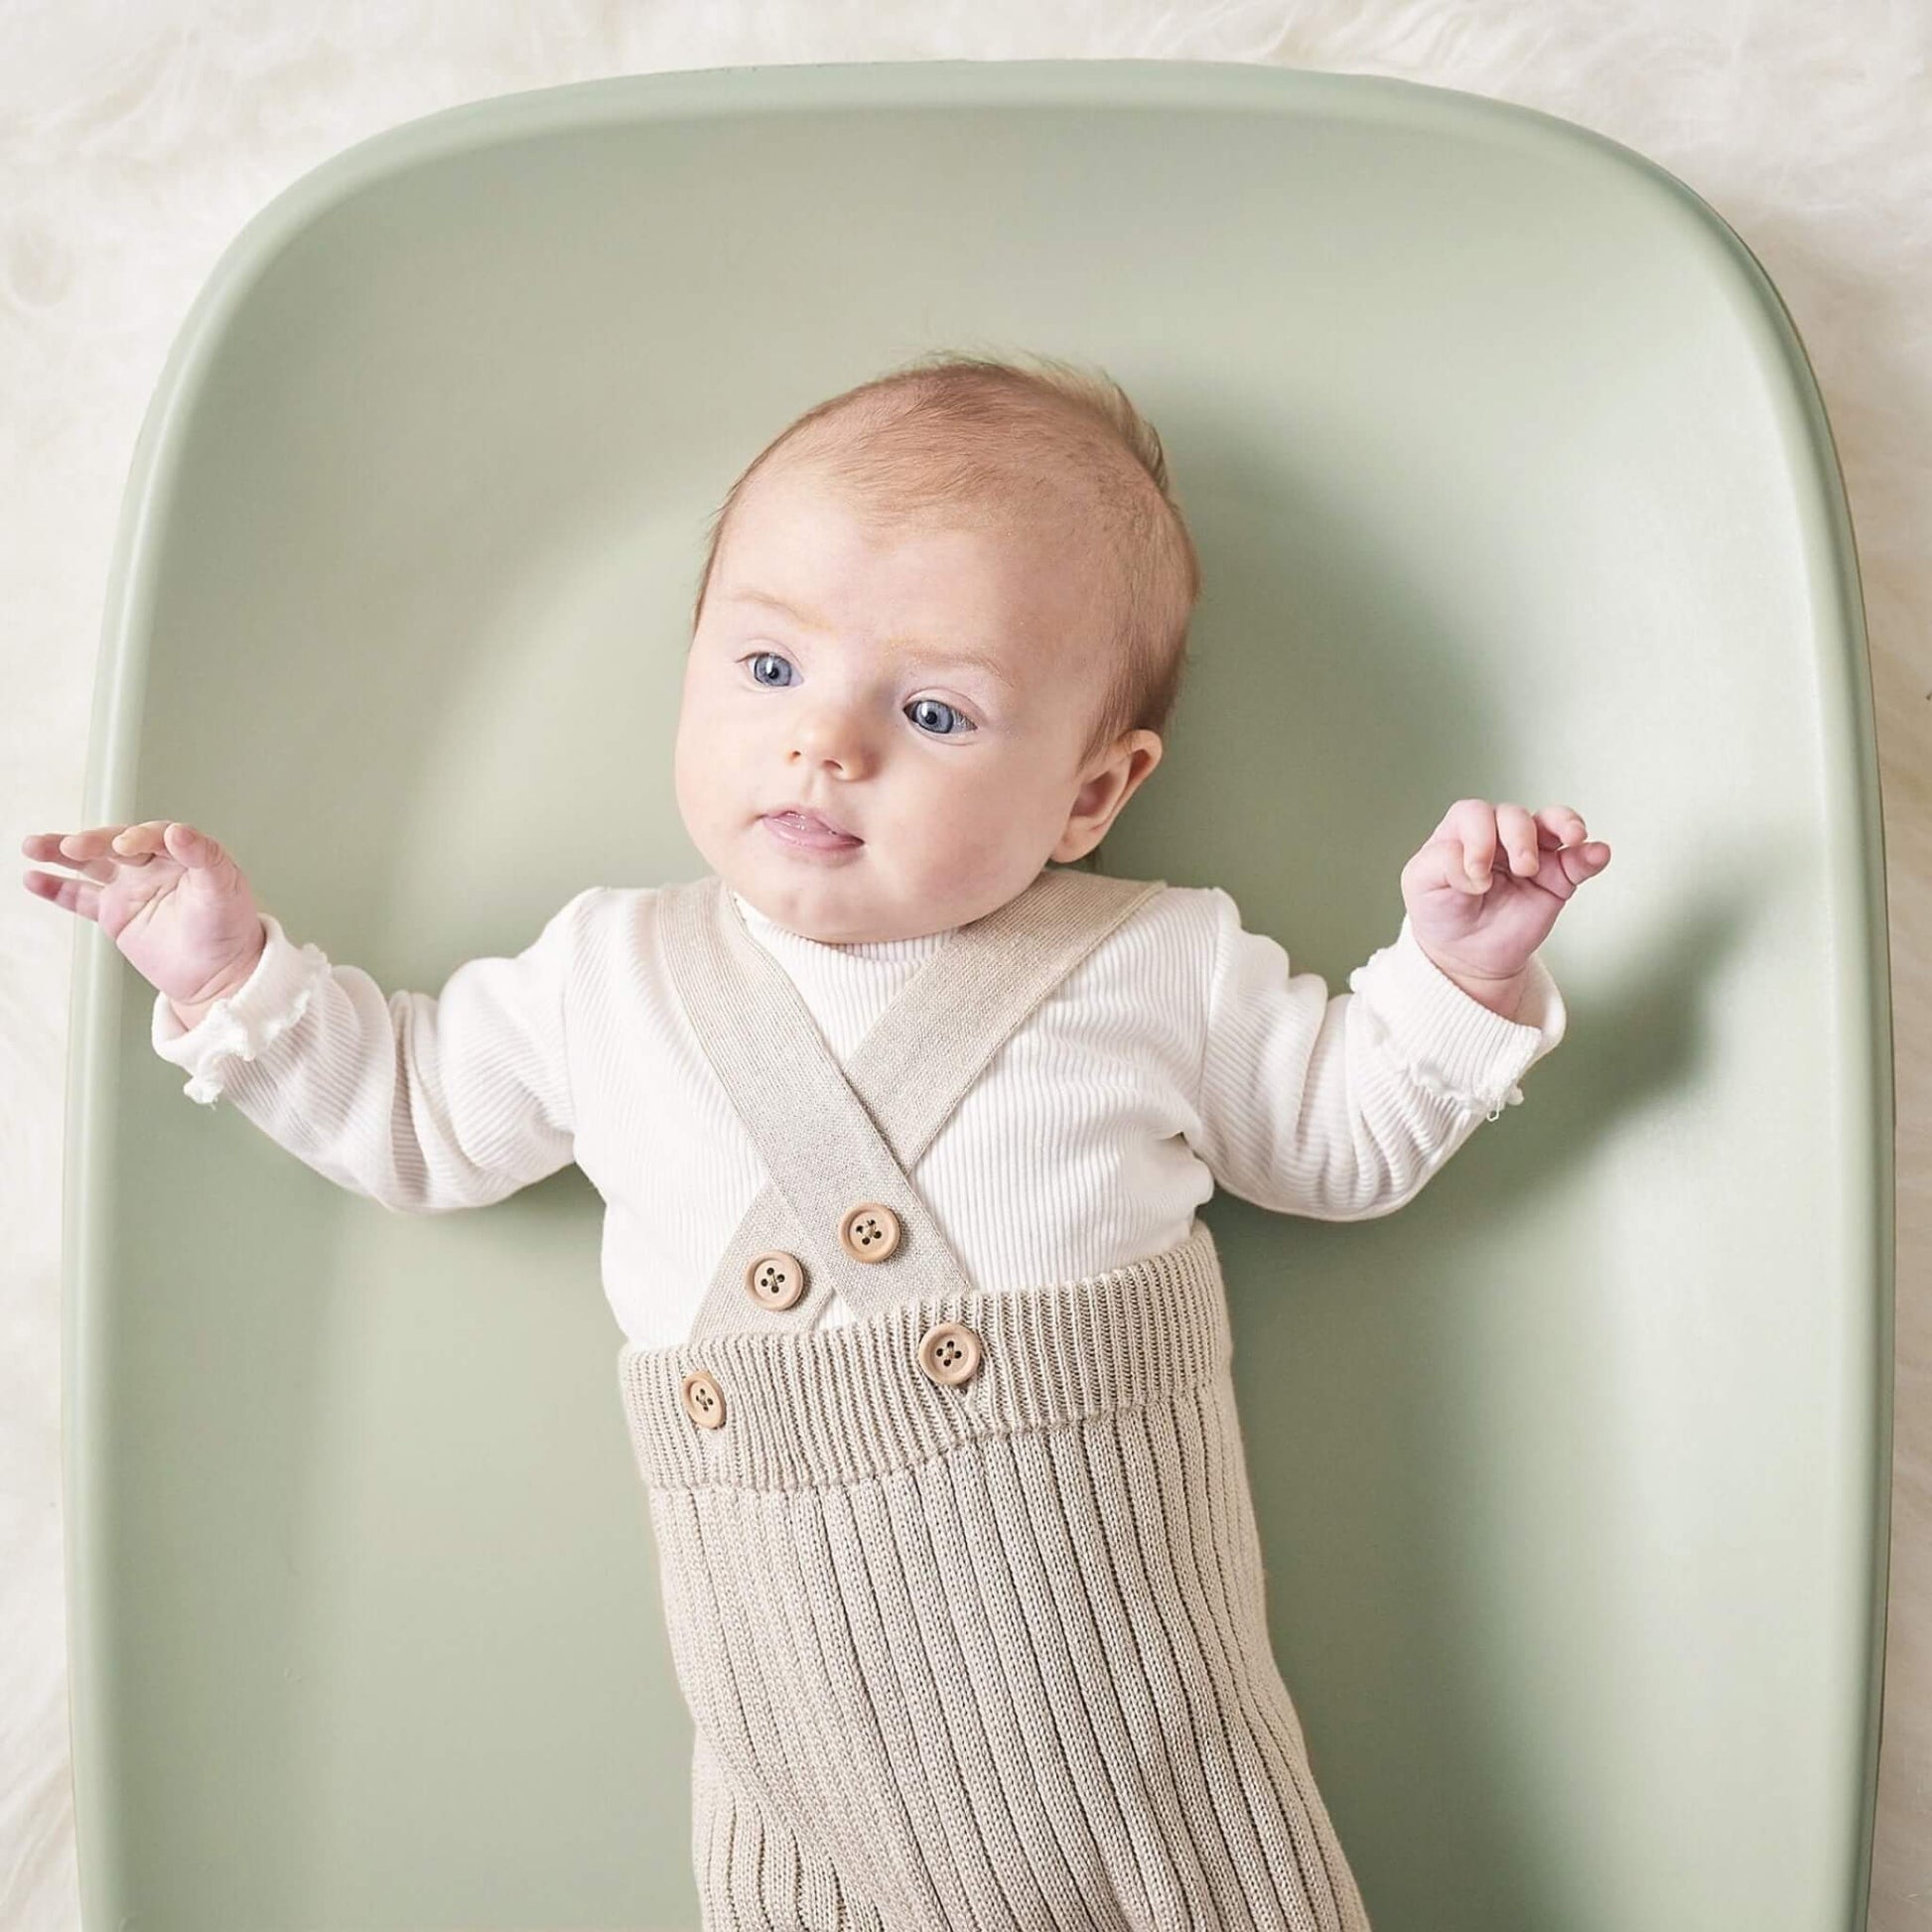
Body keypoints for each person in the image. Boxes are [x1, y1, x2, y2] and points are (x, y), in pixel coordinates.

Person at [22, 349, 1609, 1930]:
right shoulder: (605, 973)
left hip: (1147, 1765)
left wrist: (1455, 970)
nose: (823, 744)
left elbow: (1340, 1139)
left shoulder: (1157, 959)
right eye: (767, 669)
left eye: (932, 709)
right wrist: (233, 975)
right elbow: (416, 1118)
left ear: (1090, 790)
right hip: (803, 1792)